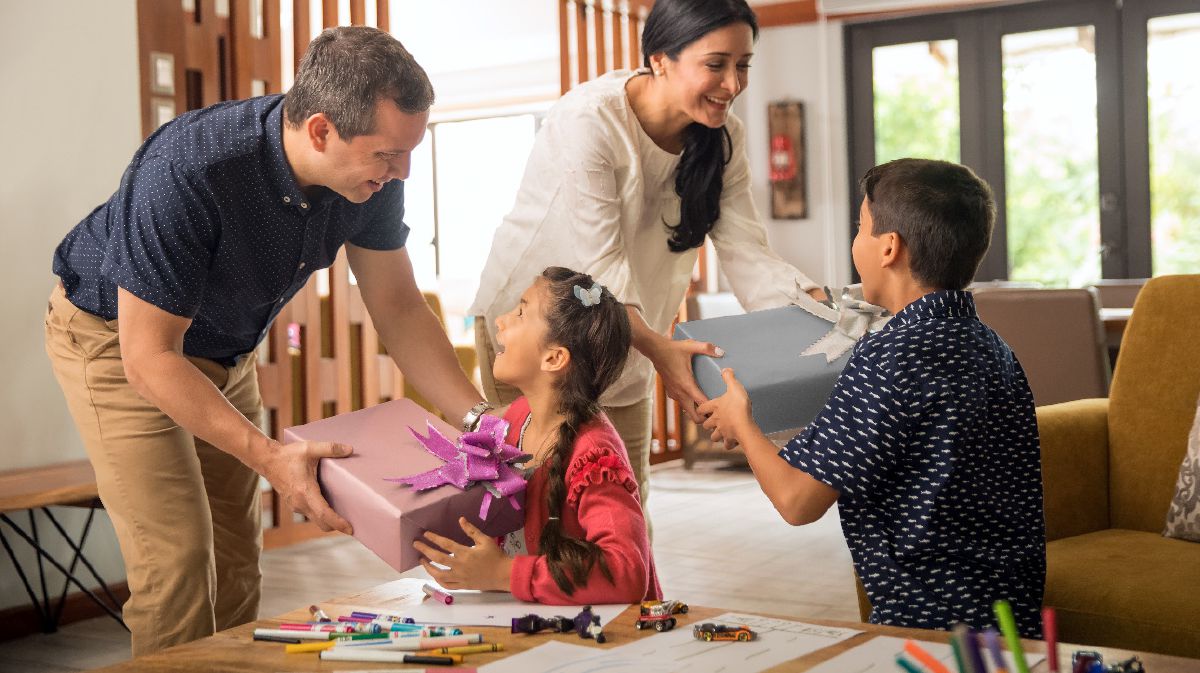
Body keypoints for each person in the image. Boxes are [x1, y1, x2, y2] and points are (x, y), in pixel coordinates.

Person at [44, 27, 494, 654]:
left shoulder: (373, 182)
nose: (403, 172)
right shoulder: (192, 168)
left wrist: (479, 418)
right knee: (178, 557)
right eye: (388, 155)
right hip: (119, 344)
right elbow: (149, 357)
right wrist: (269, 455)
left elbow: (396, 304)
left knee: (235, 550)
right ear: (320, 130)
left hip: (224, 348)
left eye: (410, 153)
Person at [469, 0, 823, 517]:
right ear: (660, 58)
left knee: (622, 512)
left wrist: (814, 310)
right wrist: (661, 349)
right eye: (716, 64)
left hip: (630, 338)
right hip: (533, 333)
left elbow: (746, 250)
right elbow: (602, 264)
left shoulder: (725, 141)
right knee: (536, 512)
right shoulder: (589, 120)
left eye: (743, 65)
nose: (733, 83)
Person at [699, 159, 1046, 637]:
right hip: (1013, 617)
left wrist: (742, 422)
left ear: (889, 248)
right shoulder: (993, 347)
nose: (854, 243)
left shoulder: (889, 353)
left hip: (924, 623)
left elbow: (797, 500)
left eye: (860, 229)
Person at [415, 267, 661, 605]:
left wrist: (503, 573)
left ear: (554, 357)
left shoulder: (595, 455)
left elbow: (627, 571)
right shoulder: (518, 418)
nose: (500, 321)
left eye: (520, 312)